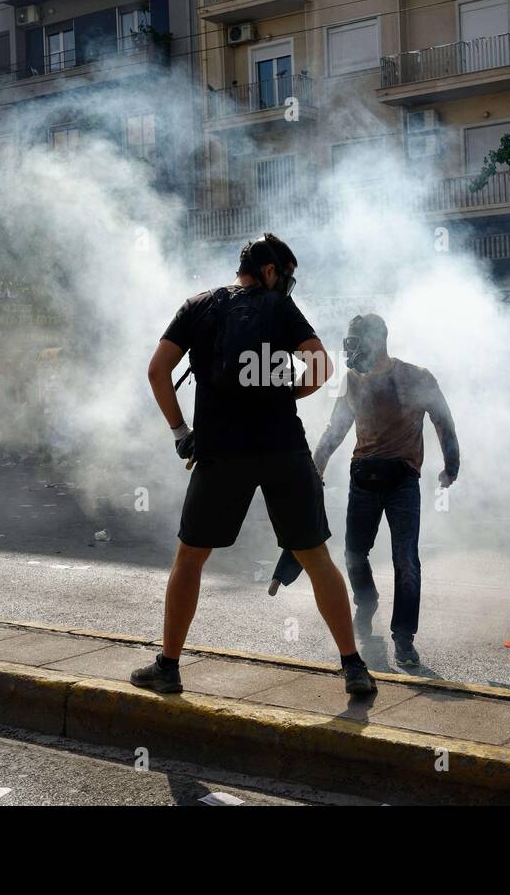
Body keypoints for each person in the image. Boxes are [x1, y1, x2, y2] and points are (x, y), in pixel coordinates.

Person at [134, 232, 376, 696]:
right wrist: (286, 392)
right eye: (285, 277)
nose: (285, 285)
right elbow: (322, 369)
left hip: (220, 452)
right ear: (269, 271)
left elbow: (156, 371)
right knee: (317, 558)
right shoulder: (279, 307)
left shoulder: (197, 306)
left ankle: (169, 667)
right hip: (283, 448)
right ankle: (353, 667)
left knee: (190, 558)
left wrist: (181, 434)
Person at [270, 313, 459, 667]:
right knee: (354, 555)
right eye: (349, 341)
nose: (351, 350)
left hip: (403, 480)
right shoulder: (352, 381)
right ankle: (366, 601)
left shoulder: (416, 377)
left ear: (378, 341)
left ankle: (404, 638)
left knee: (406, 560)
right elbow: (335, 430)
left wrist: (452, 465)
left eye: (357, 341)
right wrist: (316, 468)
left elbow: (443, 420)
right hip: (363, 478)